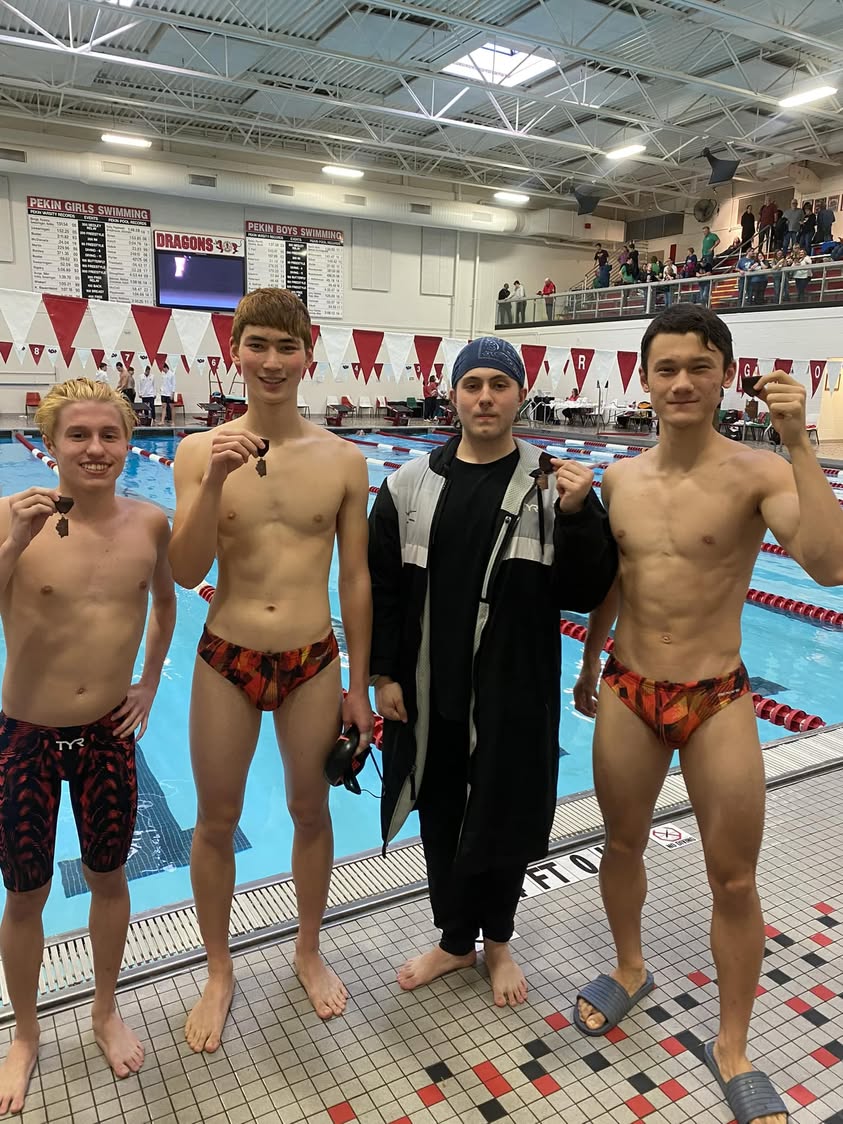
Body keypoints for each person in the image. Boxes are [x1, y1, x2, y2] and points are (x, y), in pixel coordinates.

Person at [571, 303, 843, 1124]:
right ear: (645, 380)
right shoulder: (619, 477)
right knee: (619, 843)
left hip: (715, 697)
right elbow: (613, 581)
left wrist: (799, 442)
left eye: (698, 365)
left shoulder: (757, 474)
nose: (681, 382)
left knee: (733, 876)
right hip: (627, 687)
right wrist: (587, 661)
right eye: (665, 368)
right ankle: (627, 967)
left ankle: (732, 1044)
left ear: (725, 373)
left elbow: (828, 570)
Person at [368, 336, 617, 1007]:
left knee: (503, 815)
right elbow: (382, 591)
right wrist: (383, 677)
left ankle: (499, 940)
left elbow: (588, 591)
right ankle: (454, 942)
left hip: (513, 691)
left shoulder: (554, 484)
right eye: (471, 383)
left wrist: (578, 518)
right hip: (428, 688)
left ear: (518, 394)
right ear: (452, 394)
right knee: (439, 814)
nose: (484, 396)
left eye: (497, 385)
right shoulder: (405, 486)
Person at [169, 288, 373, 1051]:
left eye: (287, 347)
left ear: (308, 354)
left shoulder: (343, 459)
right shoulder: (197, 451)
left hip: (313, 660)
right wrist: (215, 480)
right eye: (257, 345)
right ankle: (218, 971)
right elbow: (187, 570)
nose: (272, 362)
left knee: (311, 811)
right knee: (215, 821)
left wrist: (357, 685)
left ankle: (307, 948)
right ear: (235, 351)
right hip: (226, 656)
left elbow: (354, 580)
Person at [0, 378, 176, 1115]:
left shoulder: (150, 522)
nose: (96, 449)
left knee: (110, 877)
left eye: (110, 435)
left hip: (107, 733)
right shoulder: (9, 517)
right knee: (25, 893)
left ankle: (105, 1008)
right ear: (51, 445)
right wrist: (15, 544)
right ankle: (26, 1032)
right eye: (78, 436)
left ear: (129, 443)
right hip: (27, 735)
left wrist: (149, 683)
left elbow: (166, 601)